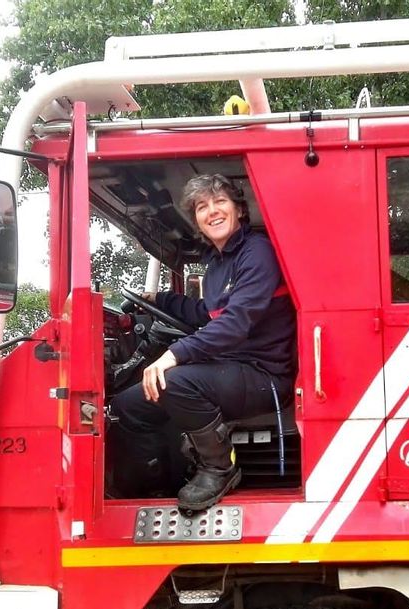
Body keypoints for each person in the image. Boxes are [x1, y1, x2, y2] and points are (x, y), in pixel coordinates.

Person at [110, 174, 296, 512]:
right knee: (129, 405)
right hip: (232, 366)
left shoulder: (257, 253)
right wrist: (160, 300)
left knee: (174, 381)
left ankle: (219, 468)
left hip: (264, 375)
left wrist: (174, 354)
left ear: (239, 209)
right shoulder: (215, 262)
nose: (212, 211)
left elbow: (235, 321)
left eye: (220, 201)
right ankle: (157, 487)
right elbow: (208, 312)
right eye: (202, 206)